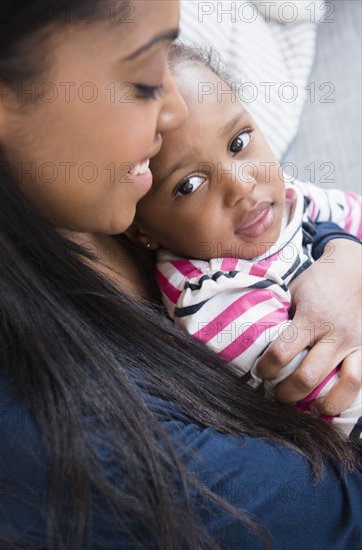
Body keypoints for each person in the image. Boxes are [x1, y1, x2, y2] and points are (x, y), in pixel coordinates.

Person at [0, 2, 362, 549]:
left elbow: (312, 213)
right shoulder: (91, 443)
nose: (174, 113)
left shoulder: (107, 191)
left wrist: (340, 253)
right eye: (142, 77)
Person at [130, 44, 362, 439]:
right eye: (189, 185)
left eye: (238, 143)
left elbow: (352, 213)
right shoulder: (209, 293)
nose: (241, 184)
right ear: (144, 230)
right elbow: (334, 392)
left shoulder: (279, 199)